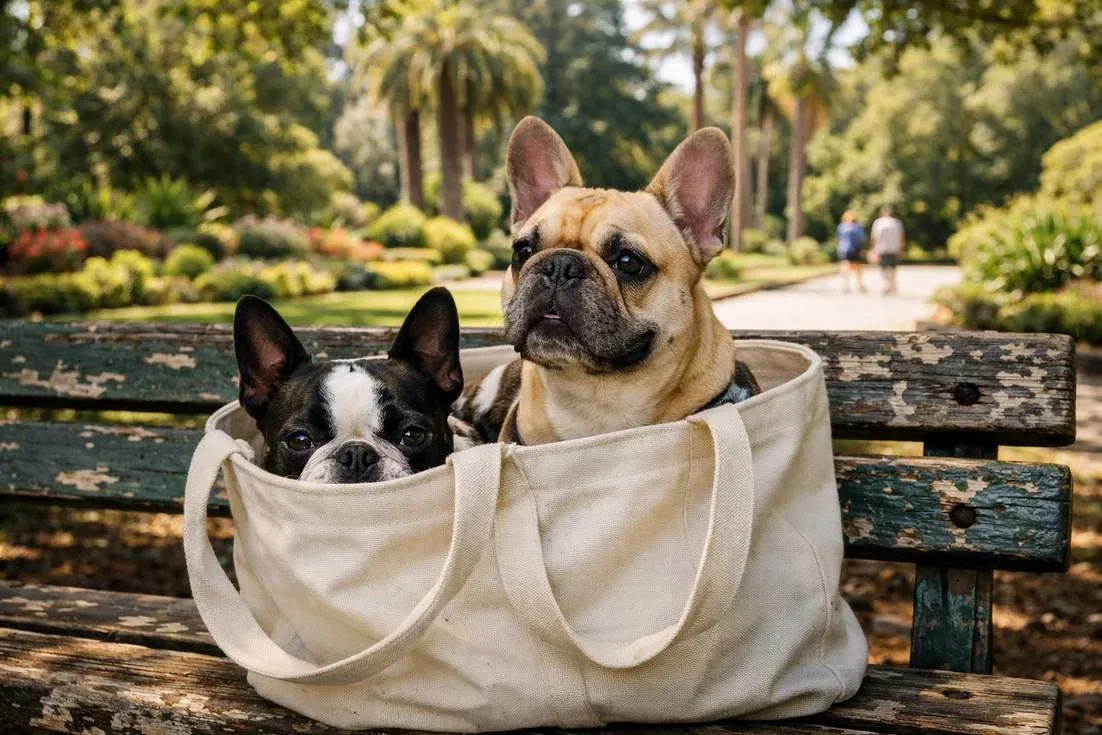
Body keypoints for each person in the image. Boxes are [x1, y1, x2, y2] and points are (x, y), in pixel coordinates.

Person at [870, 206, 905, 295]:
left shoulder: (878, 223)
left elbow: (874, 237)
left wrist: (873, 249)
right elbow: (901, 237)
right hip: (894, 248)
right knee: (893, 268)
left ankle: (886, 285)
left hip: (882, 249)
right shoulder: (896, 223)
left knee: (883, 268)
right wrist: (901, 249)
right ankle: (892, 285)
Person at [835, 210, 866, 293]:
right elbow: (862, 239)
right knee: (857, 267)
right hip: (854, 249)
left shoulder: (841, 227)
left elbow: (838, 238)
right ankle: (859, 284)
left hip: (843, 248)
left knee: (845, 265)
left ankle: (846, 285)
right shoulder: (857, 227)